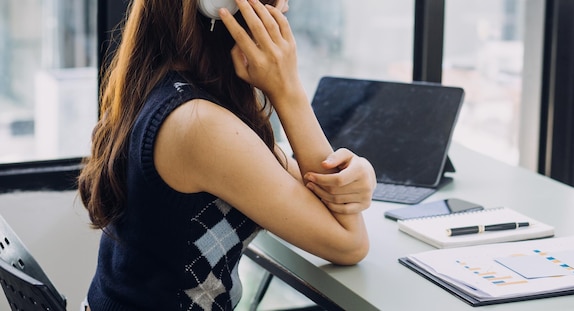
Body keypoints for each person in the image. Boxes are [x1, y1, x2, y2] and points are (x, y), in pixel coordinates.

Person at [77, 0, 376, 310]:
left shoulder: (169, 87)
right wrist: (288, 90)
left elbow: (296, 175)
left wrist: (354, 173)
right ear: (221, 4)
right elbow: (349, 242)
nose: (283, 6)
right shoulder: (199, 125)